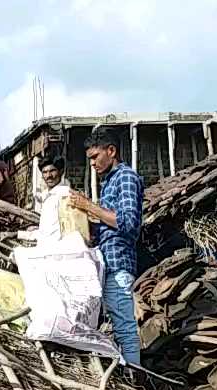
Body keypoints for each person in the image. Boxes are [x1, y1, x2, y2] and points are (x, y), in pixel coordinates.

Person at [68, 129, 144, 366]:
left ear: (111, 151)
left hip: (118, 263)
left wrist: (89, 207)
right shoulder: (109, 181)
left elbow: (128, 224)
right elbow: (107, 223)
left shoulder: (126, 178)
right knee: (114, 325)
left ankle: (137, 379)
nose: (92, 163)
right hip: (107, 262)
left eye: (95, 156)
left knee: (124, 326)